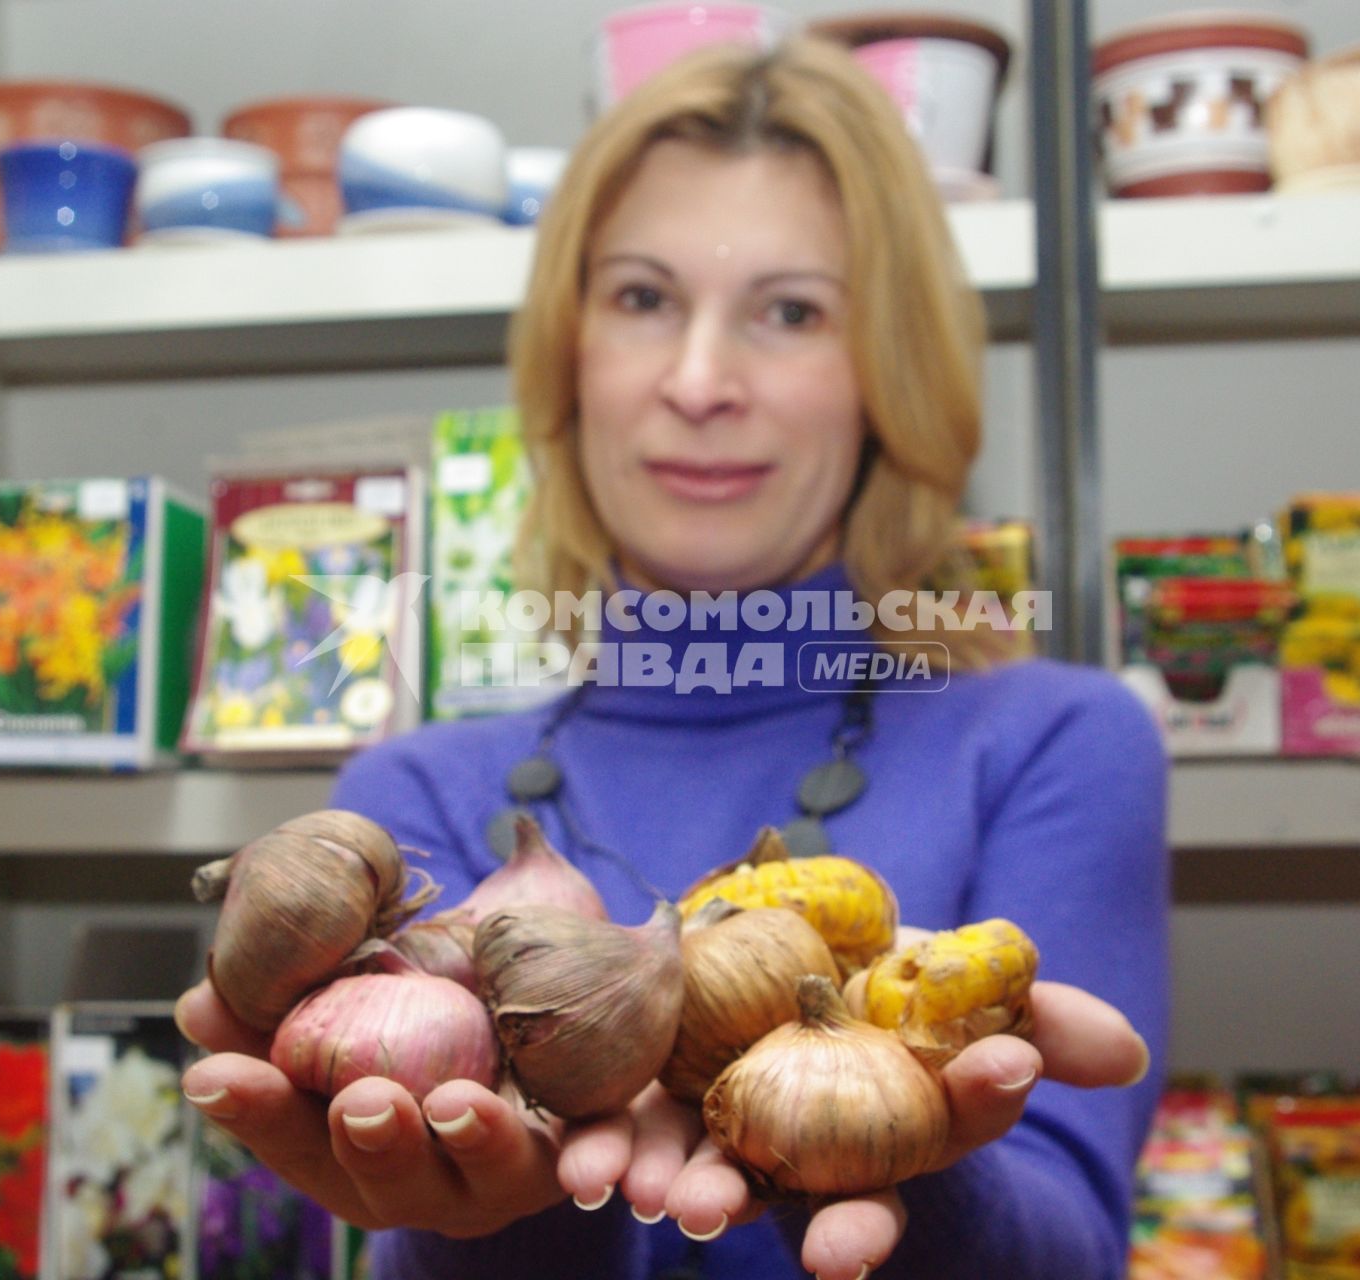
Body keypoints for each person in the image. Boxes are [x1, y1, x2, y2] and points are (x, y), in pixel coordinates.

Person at [176, 35, 1168, 1280]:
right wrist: (505, 1202)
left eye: (790, 310)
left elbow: (1073, 1247)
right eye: (644, 298)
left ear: (886, 372)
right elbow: (425, 1197)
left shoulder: (1055, 740)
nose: (701, 380)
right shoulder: (407, 797)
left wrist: (886, 1144)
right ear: (567, 351)